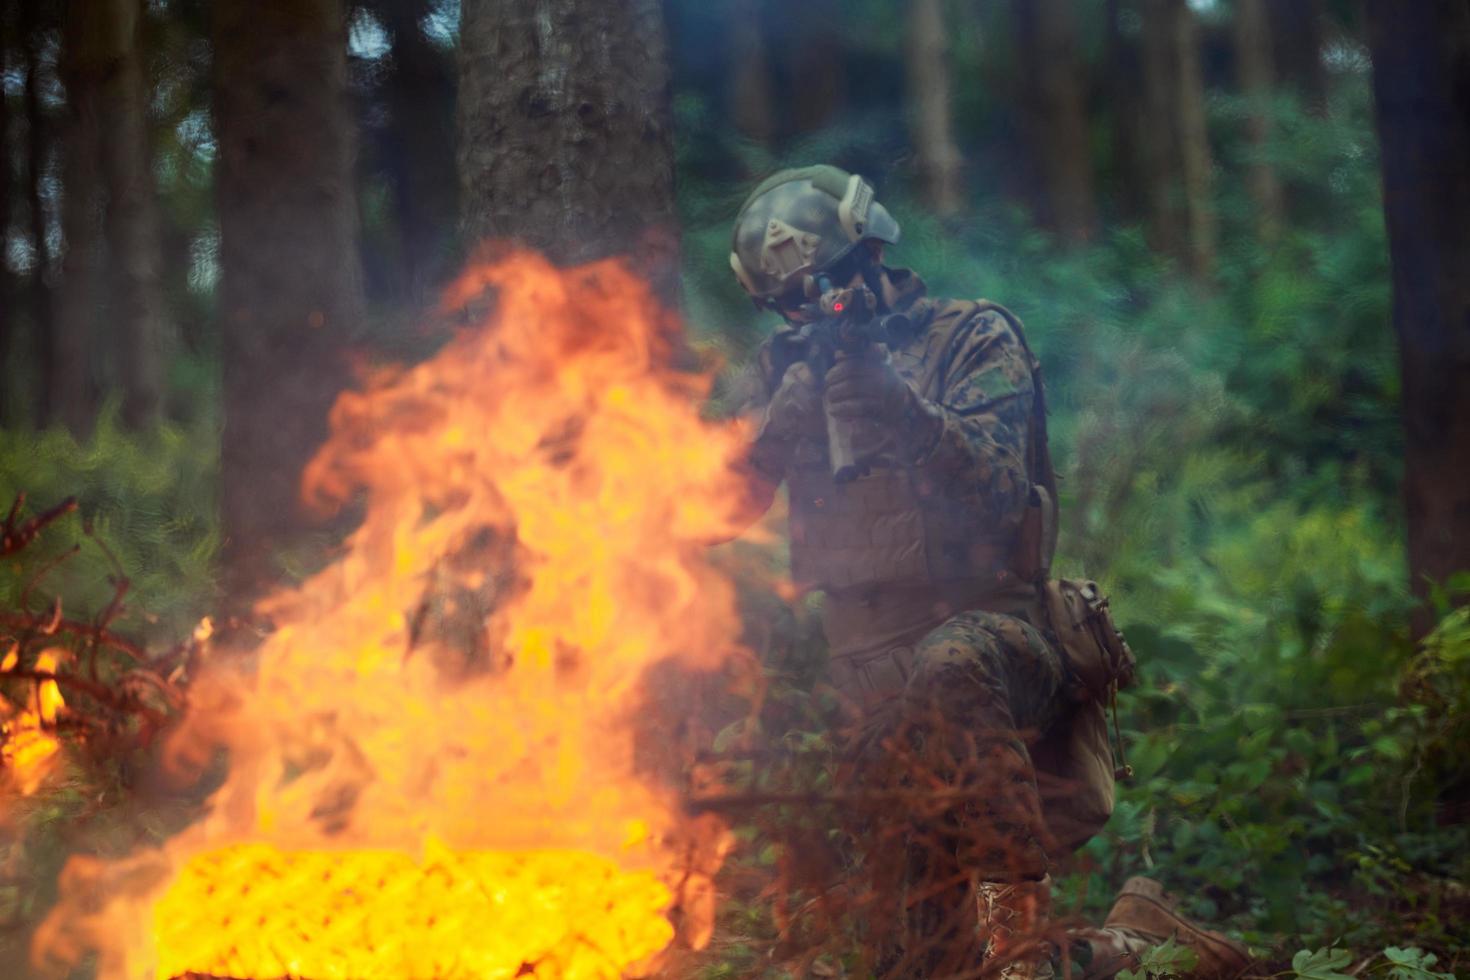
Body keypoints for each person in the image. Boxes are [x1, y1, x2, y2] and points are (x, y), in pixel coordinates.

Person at [729, 165, 1251, 980]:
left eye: (828, 284)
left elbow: (1005, 491)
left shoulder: (971, 337)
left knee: (955, 662)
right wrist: (768, 439)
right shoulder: (778, 370)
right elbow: (703, 511)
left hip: (999, 644)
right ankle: (1142, 944)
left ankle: (1023, 947)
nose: (816, 310)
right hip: (872, 689)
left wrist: (907, 416)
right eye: (791, 302)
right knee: (922, 966)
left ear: (870, 253)